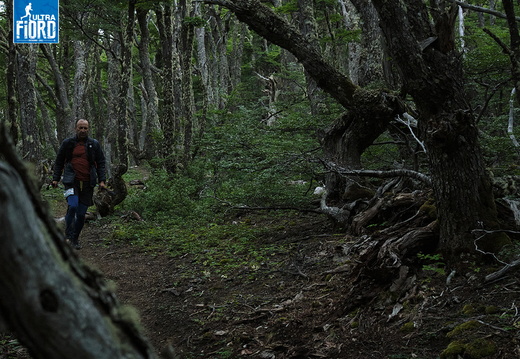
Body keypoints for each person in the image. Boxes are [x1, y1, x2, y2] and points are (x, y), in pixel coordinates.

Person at [52, 119, 106, 249]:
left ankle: (75, 238)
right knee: (73, 206)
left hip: (88, 182)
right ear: (76, 128)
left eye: (85, 128)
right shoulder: (68, 143)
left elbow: (101, 163)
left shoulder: (94, 144)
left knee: (81, 214)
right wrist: (55, 178)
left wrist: (102, 180)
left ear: (88, 129)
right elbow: (59, 161)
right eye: (80, 128)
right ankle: (68, 235)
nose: (83, 130)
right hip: (71, 181)